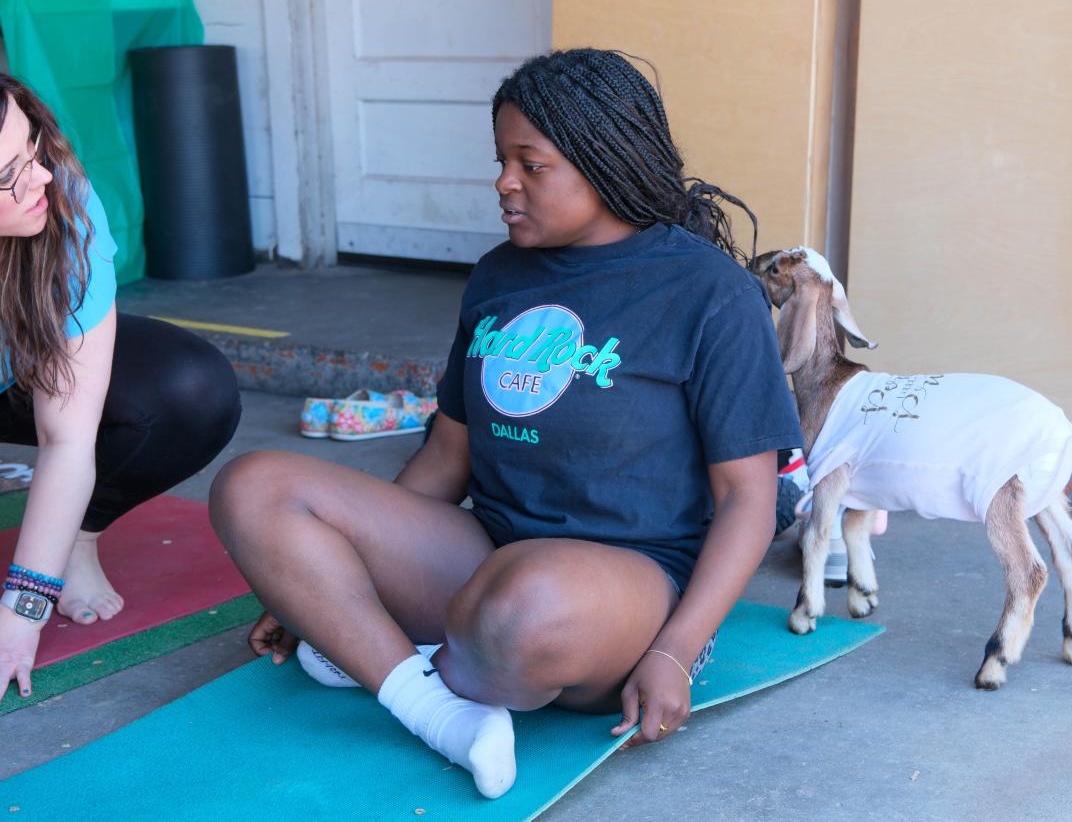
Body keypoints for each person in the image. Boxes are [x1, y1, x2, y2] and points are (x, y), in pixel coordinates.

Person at [208, 48, 803, 800]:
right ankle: (437, 708)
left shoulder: (710, 294)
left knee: (522, 611)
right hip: (485, 551)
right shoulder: (498, 276)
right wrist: (323, 575)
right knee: (252, 485)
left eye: (532, 164)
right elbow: (447, 453)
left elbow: (749, 499)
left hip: (624, 587)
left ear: (605, 162)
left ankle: (391, 654)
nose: (504, 183)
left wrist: (677, 651)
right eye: (500, 159)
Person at [0, 74, 242, 702]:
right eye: (8, 174)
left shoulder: (62, 206)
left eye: (34, 147)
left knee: (189, 390)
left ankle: (77, 536)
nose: (42, 179)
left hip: (15, 378)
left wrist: (21, 616)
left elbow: (67, 439)